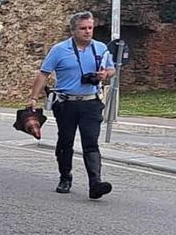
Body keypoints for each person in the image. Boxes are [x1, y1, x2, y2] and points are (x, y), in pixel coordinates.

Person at [27, 11, 116, 199]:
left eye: (90, 28)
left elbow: (111, 68)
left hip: (91, 102)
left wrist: (106, 75)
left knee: (91, 142)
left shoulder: (101, 48)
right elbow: (44, 74)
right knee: (65, 141)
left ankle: (95, 183)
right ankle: (65, 177)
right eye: (83, 28)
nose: (87, 32)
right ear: (73, 30)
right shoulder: (59, 50)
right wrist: (33, 98)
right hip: (66, 103)